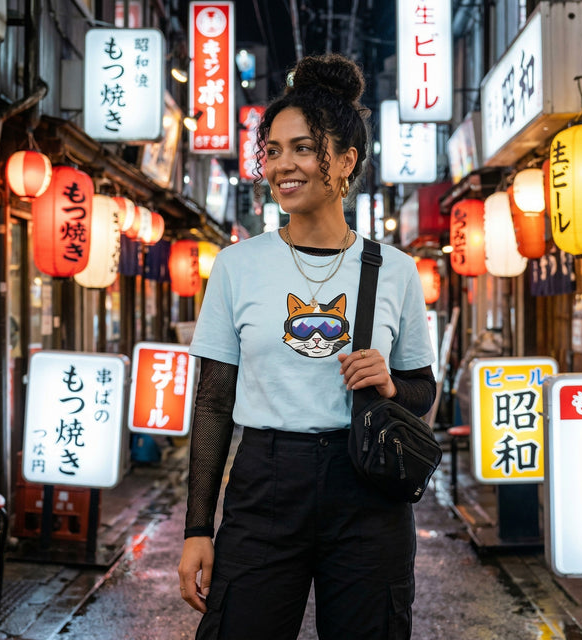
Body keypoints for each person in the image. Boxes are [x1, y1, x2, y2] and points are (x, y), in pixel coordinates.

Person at [178, 52, 437, 640]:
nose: (282, 165)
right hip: (266, 482)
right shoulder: (238, 266)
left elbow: (423, 390)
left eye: (302, 148)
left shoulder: (392, 269)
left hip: (367, 487)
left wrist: (390, 382)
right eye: (273, 149)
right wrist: (199, 527)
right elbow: (214, 402)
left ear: (345, 161)